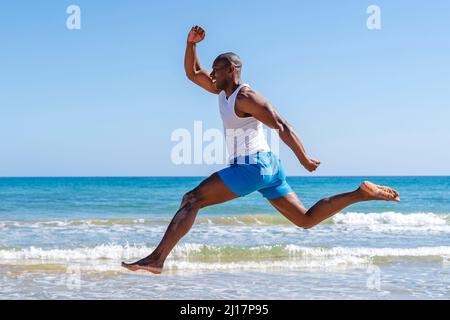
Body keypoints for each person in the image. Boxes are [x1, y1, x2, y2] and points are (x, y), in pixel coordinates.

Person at [122, 26, 400, 274]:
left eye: (217, 70)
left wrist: (303, 158)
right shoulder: (223, 91)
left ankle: (157, 259)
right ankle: (360, 193)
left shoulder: (246, 96)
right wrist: (191, 44)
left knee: (192, 199)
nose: (212, 73)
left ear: (232, 70)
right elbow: (192, 73)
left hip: (252, 166)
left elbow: (281, 124)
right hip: (267, 167)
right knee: (305, 220)